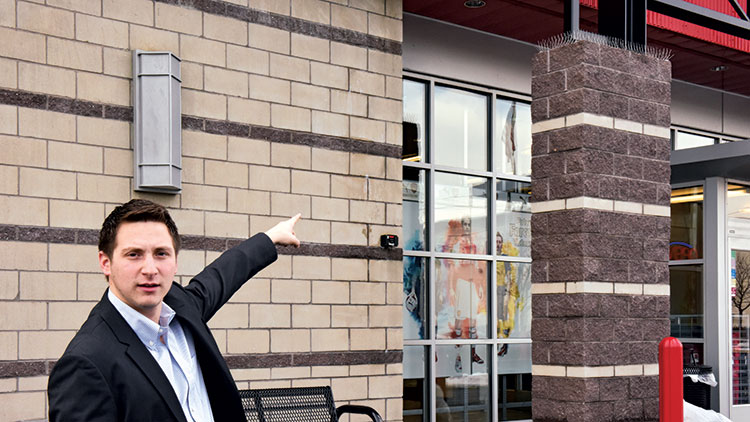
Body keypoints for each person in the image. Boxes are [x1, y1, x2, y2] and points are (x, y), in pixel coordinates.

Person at [47, 199, 300, 422]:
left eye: (161, 254)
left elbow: (222, 275)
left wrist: (270, 238)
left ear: (175, 261)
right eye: (134, 254)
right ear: (106, 263)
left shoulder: (181, 306)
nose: (150, 268)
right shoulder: (85, 363)